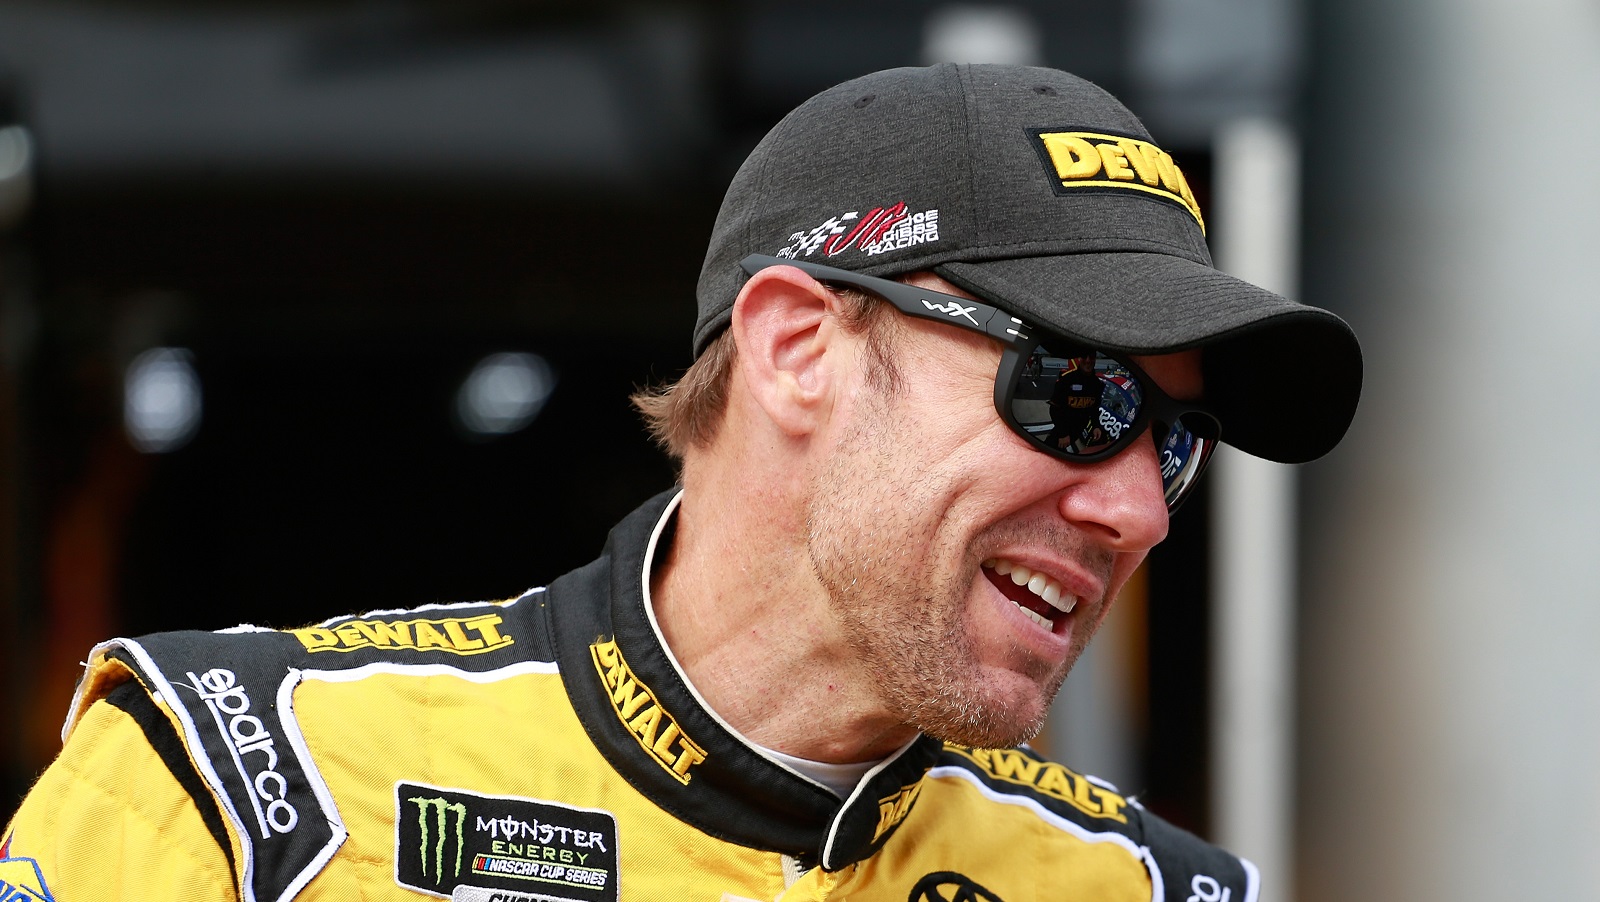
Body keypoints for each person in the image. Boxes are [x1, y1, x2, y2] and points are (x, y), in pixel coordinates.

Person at [0, 64, 1360, 902]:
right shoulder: (240, 791)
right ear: (795, 351)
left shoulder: (1146, 891)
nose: (1137, 510)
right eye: (1078, 397)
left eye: (1173, 444)